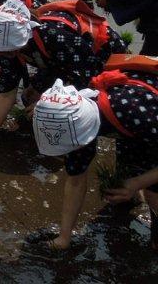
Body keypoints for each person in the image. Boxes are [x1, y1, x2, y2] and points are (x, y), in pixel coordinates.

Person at [32, 70, 158, 250]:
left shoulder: (137, 114)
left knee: (153, 193)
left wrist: (136, 183)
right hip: (132, 126)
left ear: (85, 130)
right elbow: (75, 180)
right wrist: (63, 238)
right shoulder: (76, 120)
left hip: (145, 114)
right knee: (131, 164)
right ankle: (131, 199)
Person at [0, 0, 126, 141]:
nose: (2, 54)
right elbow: (7, 93)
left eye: (7, 50)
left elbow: (84, 78)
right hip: (58, 61)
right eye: (0, 50)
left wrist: (48, 102)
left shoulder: (54, 36)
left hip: (100, 57)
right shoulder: (10, 48)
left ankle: (77, 139)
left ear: (21, 38)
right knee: (29, 97)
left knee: (62, 108)